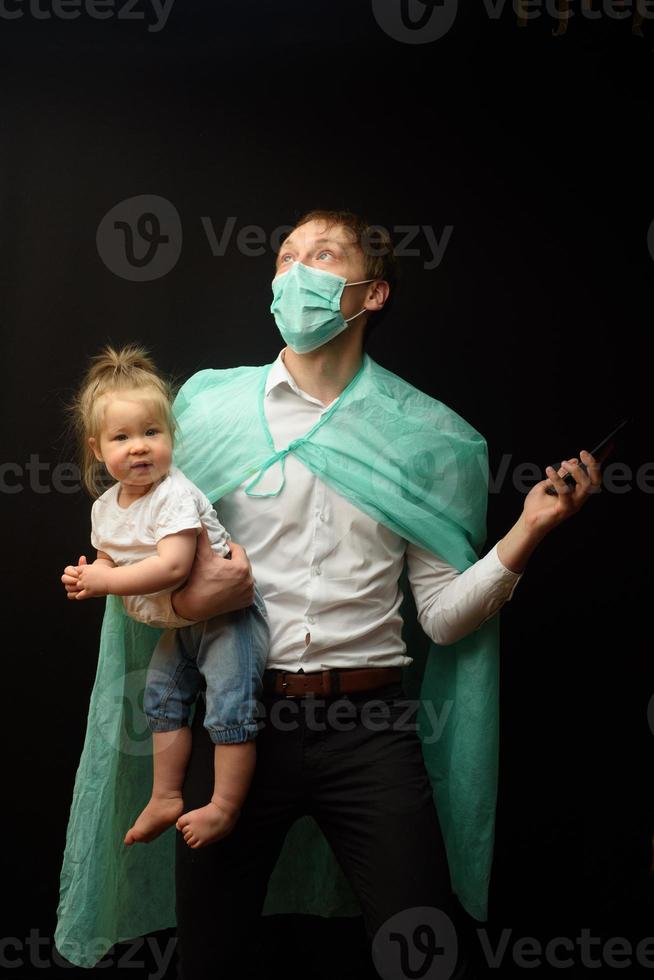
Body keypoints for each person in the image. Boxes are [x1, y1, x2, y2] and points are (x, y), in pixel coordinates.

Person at [57, 210, 602, 979]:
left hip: (370, 730)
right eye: (285, 258)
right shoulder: (205, 413)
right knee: (209, 954)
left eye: (322, 255)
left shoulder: (425, 437)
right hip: (236, 715)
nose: (295, 272)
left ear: (372, 293)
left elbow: (444, 621)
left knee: (423, 951)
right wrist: (184, 607)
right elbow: (135, 559)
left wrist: (530, 528)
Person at [61, 345, 269, 849]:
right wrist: (94, 572)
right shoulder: (106, 508)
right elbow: (112, 557)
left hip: (228, 618)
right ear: (97, 450)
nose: (139, 447)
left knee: (229, 708)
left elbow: (173, 566)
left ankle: (224, 806)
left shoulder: (173, 493)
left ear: (170, 437)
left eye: (151, 433)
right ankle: (165, 795)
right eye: (122, 437)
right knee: (160, 697)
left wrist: (107, 583)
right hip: (180, 623)